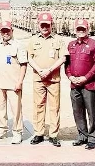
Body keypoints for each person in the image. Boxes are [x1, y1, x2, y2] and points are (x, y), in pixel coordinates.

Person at [27, 12, 68, 147]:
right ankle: (39, 133)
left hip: (53, 79)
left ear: (51, 25)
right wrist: (40, 70)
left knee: (54, 107)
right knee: (38, 106)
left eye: (47, 25)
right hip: (38, 79)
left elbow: (63, 58)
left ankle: (53, 135)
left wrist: (49, 70)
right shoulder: (33, 40)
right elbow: (30, 58)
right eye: (42, 25)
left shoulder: (58, 40)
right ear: (38, 25)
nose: (44, 27)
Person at [65, 18, 95, 150]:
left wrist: (85, 77)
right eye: (78, 29)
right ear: (74, 30)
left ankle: (92, 138)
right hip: (74, 84)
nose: (80, 31)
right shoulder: (71, 45)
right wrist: (70, 76)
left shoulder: (94, 44)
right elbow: (67, 64)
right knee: (77, 111)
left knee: (92, 112)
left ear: (88, 29)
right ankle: (82, 136)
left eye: (83, 29)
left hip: (89, 84)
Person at [0, 20, 27, 144]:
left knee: (16, 109)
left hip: (13, 83)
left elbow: (23, 64)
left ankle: (17, 132)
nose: (5, 33)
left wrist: (20, 81)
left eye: (7, 30)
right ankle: (1, 129)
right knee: (0, 109)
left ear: (12, 31)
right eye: (3, 31)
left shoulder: (18, 45)